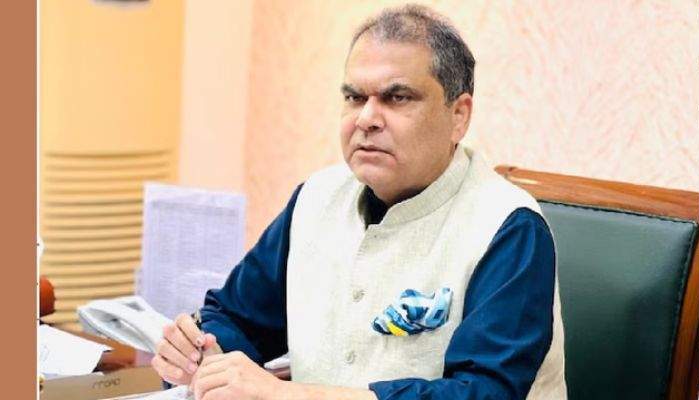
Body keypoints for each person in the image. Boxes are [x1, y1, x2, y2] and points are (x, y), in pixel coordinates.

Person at [152, 4, 567, 400]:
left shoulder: (508, 228)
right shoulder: (315, 199)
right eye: (354, 97)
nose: (366, 118)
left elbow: (483, 393)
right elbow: (237, 317)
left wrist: (288, 394)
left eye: (397, 97)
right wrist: (202, 350)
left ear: (458, 115)